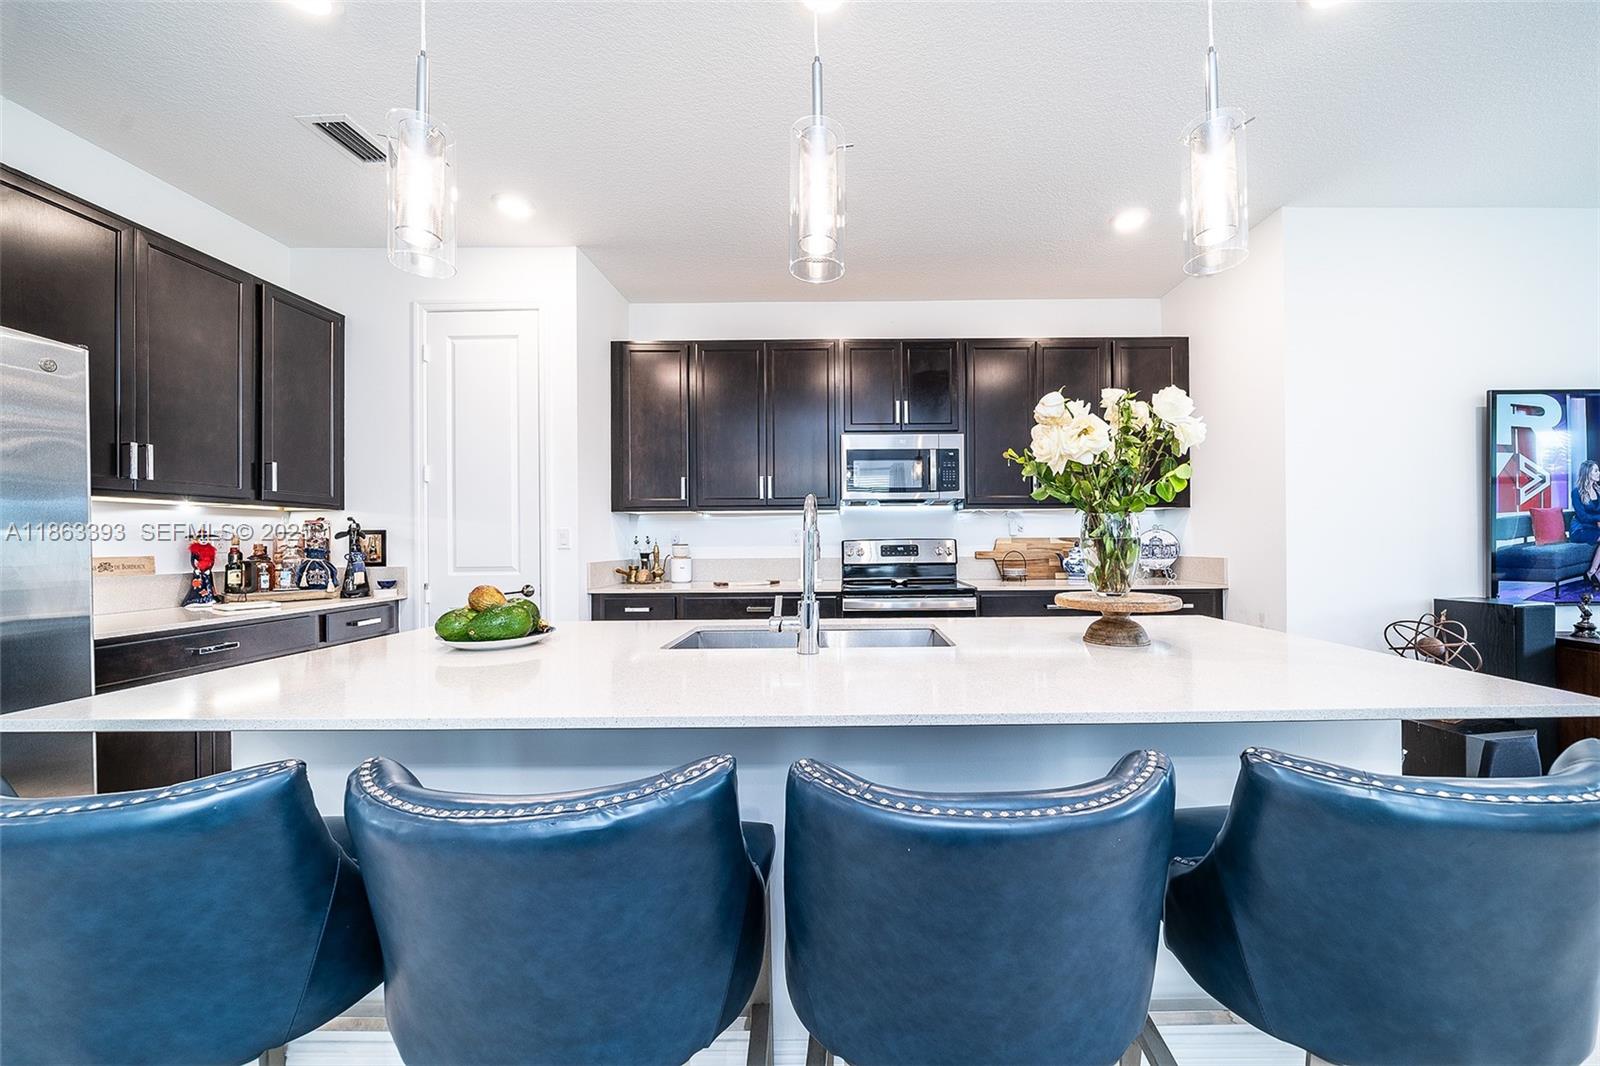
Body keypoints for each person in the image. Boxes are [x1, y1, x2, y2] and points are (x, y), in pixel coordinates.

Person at [1574, 459, 1600, 586]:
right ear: (1587, 473)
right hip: (1581, 529)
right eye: (1595, 470)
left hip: (1595, 527)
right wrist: (1598, 520)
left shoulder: (1599, 490)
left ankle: (1595, 573)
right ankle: (1593, 573)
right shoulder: (1576, 492)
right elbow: (1582, 516)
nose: (1599, 473)